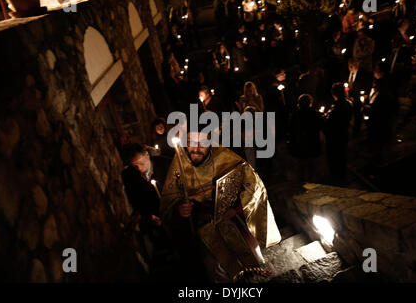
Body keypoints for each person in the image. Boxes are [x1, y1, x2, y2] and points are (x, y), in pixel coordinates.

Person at [160, 130, 281, 282]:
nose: (196, 148)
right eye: (191, 142)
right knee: (218, 271)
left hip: (234, 223)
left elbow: (251, 187)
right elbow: (168, 203)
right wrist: (181, 209)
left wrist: (235, 209)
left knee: (253, 265)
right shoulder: (178, 166)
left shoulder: (226, 159)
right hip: (205, 231)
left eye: (202, 143)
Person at [121, 144, 170, 258]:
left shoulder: (165, 164)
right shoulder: (129, 175)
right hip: (155, 217)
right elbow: (135, 198)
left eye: (141, 163)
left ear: (147, 155)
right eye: (135, 166)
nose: (139, 168)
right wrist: (149, 216)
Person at [288, 94, 323, 191]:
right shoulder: (315, 114)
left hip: (300, 145)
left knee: (301, 167)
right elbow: (321, 126)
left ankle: (302, 185)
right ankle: (311, 184)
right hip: (312, 144)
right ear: (310, 103)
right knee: (311, 166)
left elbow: (290, 130)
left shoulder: (295, 115)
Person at [323, 82, 353, 185]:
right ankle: (341, 176)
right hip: (344, 134)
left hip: (334, 137)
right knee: (342, 156)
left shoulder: (336, 107)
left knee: (334, 158)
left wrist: (324, 118)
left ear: (333, 93)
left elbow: (329, 124)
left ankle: (336, 179)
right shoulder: (348, 103)